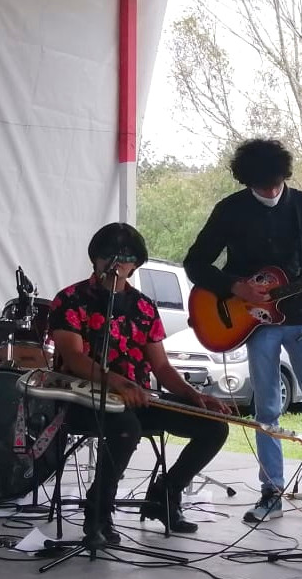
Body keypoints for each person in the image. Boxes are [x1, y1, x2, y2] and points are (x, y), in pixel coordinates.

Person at [184, 138, 302, 523]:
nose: (270, 192)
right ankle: (271, 489)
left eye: (275, 184)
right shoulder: (230, 210)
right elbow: (195, 263)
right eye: (261, 187)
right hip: (255, 321)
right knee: (268, 407)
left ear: (284, 175)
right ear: (247, 181)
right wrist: (235, 287)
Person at [49, 223, 230, 547]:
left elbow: (161, 366)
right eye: (108, 255)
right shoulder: (70, 299)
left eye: (126, 257)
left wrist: (194, 396)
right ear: (95, 258)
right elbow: (74, 358)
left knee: (214, 426)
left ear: (136, 264)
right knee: (125, 428)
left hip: (136, 399)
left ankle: (163, 495)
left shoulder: (144, 306)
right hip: (83, 400)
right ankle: (98, 512)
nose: (116, 263)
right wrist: (116, 382)